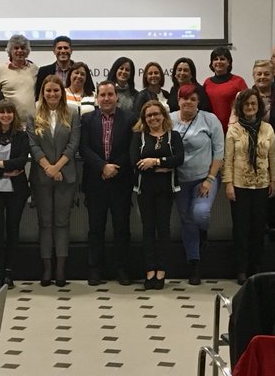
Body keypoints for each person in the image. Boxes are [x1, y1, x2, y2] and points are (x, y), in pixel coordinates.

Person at [80, 81, 136, 286]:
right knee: (96, 228)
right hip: (95, 181)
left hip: (121, 181)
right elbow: (83, 148)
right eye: (102, 95)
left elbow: (132, 150)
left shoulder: (130, 119)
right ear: (97, 98)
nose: (106, 98)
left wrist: (114, 167)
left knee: (122, 227)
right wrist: (103, 166)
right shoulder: (87, 119)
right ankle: (95, 269)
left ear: (117, 97)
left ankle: (121, 269)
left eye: (110, 94)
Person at [28, 77, 80, 287]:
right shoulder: (33, 113)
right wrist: (48, 168)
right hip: (41, 177)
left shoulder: (73, 112)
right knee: (45, 223)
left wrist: (57, 167)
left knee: (62, 223)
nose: (52, 94)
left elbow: (74, 143)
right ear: (43, 92)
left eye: (56, 91)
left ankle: (60, 268)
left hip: (65, 175)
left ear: (61, 92)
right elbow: (32, 144)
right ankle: (47, 267)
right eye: (48, 91)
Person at [170, 83, 224, 285]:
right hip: (179, 181)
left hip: (204, 179)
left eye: (193, 99)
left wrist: (210, 179)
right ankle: (194, 263)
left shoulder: (209, 120)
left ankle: (203, 233)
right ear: (178, 99)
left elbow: (219, 151)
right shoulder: (170, 118)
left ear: (198, 101)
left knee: (200, 214)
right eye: (184, 98)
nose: (188, 102)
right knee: (186, 220)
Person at [223, 88, 275, 284]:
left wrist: (274, 180)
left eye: (253, 104)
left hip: (262, 185)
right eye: (246, 104)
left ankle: (256, 268)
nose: (250, 107)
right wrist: (228, 184)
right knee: (241, 230)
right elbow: (228, 159)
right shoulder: (234, 129)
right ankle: (241, 269)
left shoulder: (268, 129)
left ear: (259, 106)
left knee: (257, 229)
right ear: (241, 107)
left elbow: (273, 156)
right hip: (239, 185)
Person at [130, 100, 184, 290]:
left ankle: (161, 270)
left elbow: (178, 159)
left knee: (163, 230)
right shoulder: (139, 137)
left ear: (163, 115)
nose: (153, 118)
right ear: (144, 119)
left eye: (156, 114)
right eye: (149, 115)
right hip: (145, 190)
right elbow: (135, 162)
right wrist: (162, 166)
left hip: (166, 190)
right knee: (147, 230)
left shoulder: (173, 136)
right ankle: (149, 270)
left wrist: (155, 161)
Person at [0, 99, 31, 288]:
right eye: (2, 112)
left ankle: (9, 272)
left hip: (16, 191)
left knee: (12, 230)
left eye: (9, 112)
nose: (6, 116)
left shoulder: (21, 135)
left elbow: (22, 160)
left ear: (14, 115)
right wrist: (2, 168)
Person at [0, 34, 37, 122]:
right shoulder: (0, 71)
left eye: (22, 48)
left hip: (33, 122)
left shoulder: (34, 69)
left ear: (27, 51)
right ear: (10, 51)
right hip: (9, 122)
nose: (20, 51)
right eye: (16, 48)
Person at [204, 46, 247, 130]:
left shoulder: (238, 81)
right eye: (215, 59)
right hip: (211, 128)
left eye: (222, 59)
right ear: (211, 63)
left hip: (234, 128)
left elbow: (246, 104)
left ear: (229, 62)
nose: (219, 61)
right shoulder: (207, 82)